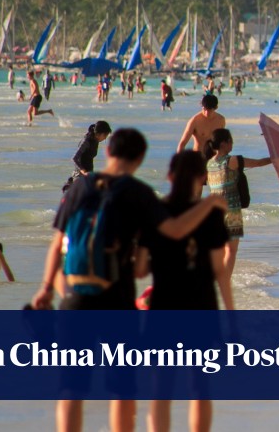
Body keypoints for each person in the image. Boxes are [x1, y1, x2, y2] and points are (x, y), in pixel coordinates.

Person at [30, 129, 227, 432]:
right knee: (121, 389)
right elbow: (173, 231)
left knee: (72, 388)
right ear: (139, 159)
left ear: (108, 152)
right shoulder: (138, 193)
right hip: (116, 300)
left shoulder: (79, 188)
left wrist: (45, 289)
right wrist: (210, 204)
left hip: (74, 297)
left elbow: (57, 244)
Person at [135, 149, 233, 432]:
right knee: (200, 387)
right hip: (202, 307)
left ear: (169, 176)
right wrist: (232, 317)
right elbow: (220, 272)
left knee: (161, 388)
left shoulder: (155, 213)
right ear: (203, 178)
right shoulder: (212, 216)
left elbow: (140, 268)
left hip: (164, 306)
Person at [204, 128, 272, 277]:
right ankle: (225, 281)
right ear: (224, 143)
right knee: (231, 250)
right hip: (231, 211)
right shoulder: (232, 160)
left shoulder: (209, 163)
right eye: (230, 141)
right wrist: (274, 158)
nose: (232, 144)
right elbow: (258, 163)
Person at [64, 121, 113, 191]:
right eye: (105, 136)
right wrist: (83, 171)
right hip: (80, 176)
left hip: (89, 174)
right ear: (100, 133)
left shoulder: (96, 140)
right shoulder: (86, 141)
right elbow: (74, 158)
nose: (105, 138)